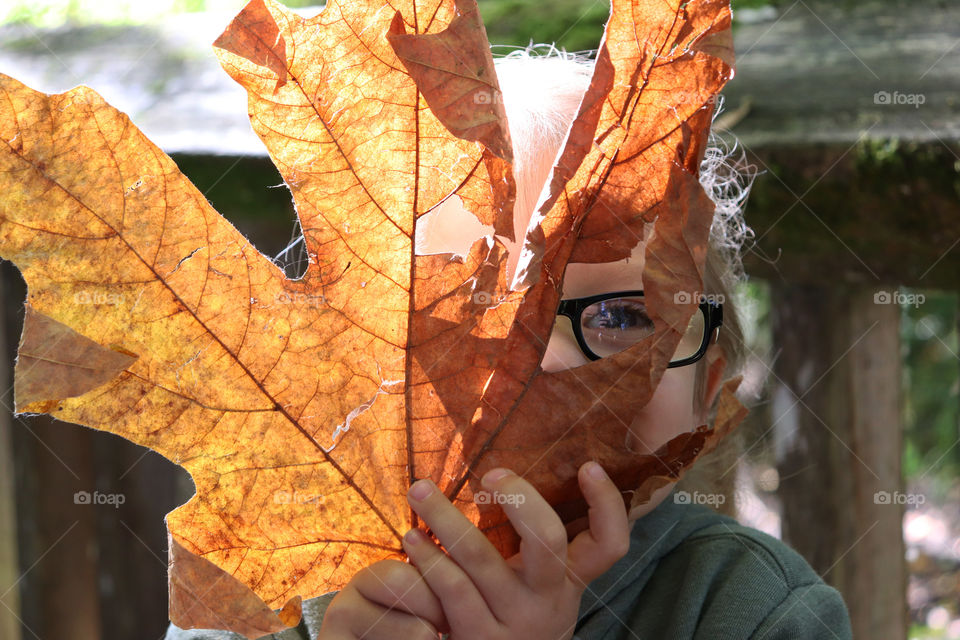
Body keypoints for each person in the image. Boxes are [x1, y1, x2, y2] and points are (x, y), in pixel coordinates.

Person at [166, 47, 853, 640]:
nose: (546, 367)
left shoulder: (754, 613)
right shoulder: (260, 588)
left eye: (622, 317)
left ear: (708, 391)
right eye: (474, 317)